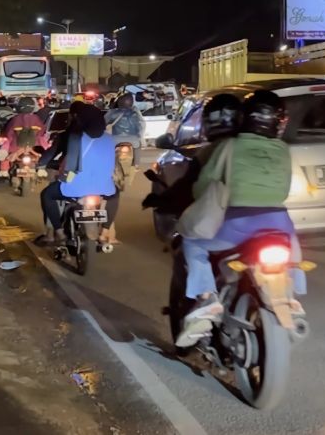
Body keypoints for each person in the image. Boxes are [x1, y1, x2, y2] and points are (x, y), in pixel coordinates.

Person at [176, 90, 306, 348]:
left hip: (237, 222)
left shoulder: (229, 146)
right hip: (279, 221)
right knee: (292, 255)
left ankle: (207, 298)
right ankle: (291, 298)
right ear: (279, 123)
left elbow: (205, 186)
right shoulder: (283, 149)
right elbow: (284, 188)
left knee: (192, 242)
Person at [142, 93, 243, 216]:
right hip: (272, 220)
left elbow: (187, 187)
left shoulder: (208, 152)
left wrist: (163, 200)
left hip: (228, 220)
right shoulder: (266, 146)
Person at [35, 102, 117, 245]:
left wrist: (59, 175)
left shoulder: (74, 136)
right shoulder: (109, 139)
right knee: (115, 195)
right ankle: (104, 233)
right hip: (103, 187)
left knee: (47, 195)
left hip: (76, 186)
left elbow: (68, 164)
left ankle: (59, 233)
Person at [0, 96, 49, 179]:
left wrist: (5, 145)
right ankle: (41, 168)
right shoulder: (36, 118)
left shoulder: (15, 119)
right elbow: (42, 133)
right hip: (34, 147)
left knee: (5, 146)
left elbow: (9, 134)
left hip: (15, 147)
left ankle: (4, 170)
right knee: (45, 151)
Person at [104, 93, 145, 166]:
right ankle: (136, 164)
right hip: (133, 139)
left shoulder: (113, 112)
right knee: (138, 146)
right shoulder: (135, 113)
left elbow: (104, 122)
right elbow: (141, 125)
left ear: (119, 102)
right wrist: (139, 136)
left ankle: (108, 164)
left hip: (115, 139)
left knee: (107, 147)